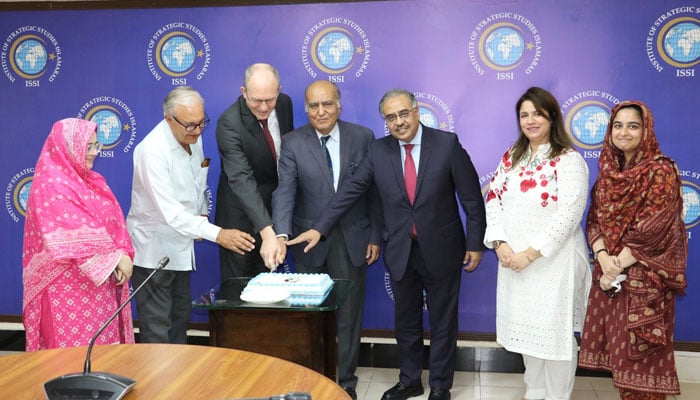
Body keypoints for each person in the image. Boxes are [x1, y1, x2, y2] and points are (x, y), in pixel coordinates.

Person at [288, 88, 486, 400]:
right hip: (400, 250)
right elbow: (351, 191)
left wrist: (475, 243)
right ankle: (409, 381)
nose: (399, 122)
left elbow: (472, 199)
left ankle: (440, 385)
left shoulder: (447, 144)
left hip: (443, 248)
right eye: (391, 117)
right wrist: (319, 229)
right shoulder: (378, 152)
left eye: (403, 113)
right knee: (405, 321)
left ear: (416, 111)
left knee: (442, 321)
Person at [271, 80, 382, 399]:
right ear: (306, 109)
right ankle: (314, 379)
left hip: (353, 239)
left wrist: (375, 233)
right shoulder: (292, 143)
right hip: (308, 243)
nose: (320, 111)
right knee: (312, 318)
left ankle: (345, 381)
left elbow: (374, 191)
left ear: (339, 105)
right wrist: (281, 233)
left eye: (327, 104)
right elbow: (285, 191)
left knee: (349, 316)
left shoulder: (362, 137)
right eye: (313, 106)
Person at [483, 87, 591, 400]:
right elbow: (494, 198)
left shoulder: (568, 160)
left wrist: (530, 254)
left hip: (551, 263)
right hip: (512, 261)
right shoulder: (512, 157)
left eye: (537, 114)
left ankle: (557, 396)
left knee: (554, 335)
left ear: (552, 116)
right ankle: (535, 392)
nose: (530, 121)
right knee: (527, 332)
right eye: (524, 115)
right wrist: (501, 244)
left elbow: (570, 214)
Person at [127, 86, 255, 344]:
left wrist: (202, 216)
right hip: (155, 250)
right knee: (157, 325)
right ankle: (159, 384)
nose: (197, 131)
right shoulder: (151, 151)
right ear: (168, 119)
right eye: (190, 125)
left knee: (180, 317)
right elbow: (171, 213)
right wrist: (217, 233)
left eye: (201, 123)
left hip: (182, 245)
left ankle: (179, 382)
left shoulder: (190, 137)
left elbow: (197, 185)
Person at [578, 101, 687, 400]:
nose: (624, 132)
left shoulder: (660, 171)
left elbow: (654, 228)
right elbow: (594, 220)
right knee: (621, 362)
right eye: (618, 125)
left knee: (645, 369)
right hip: (611, 280)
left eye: (633, 125)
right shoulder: (608, 174)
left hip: (645, 282)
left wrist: (616, 265)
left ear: (646, 130)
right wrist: (603, 258)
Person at [22, 118, 135, 351]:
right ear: (68, 147)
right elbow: (69, 237)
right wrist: (116, 258)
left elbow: (114, 223)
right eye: (88, 146)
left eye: (96, 146)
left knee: (102, 353)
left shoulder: (93, 181)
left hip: (99, 286)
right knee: (69, 358)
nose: (94, 152)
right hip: (64, 289)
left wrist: (122, 253)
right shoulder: (52, 183)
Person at [215, 62, 294, 276]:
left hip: (273, 209)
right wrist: (267, 233)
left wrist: (278, 226)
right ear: (243, 92)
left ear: (279, 91)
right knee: (240, 293)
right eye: (256, 100)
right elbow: (242, 180)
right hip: (239, 218)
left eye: (270, 100)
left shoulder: (285, 104)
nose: (263, 107)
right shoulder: (229, 124)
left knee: (269, 289)